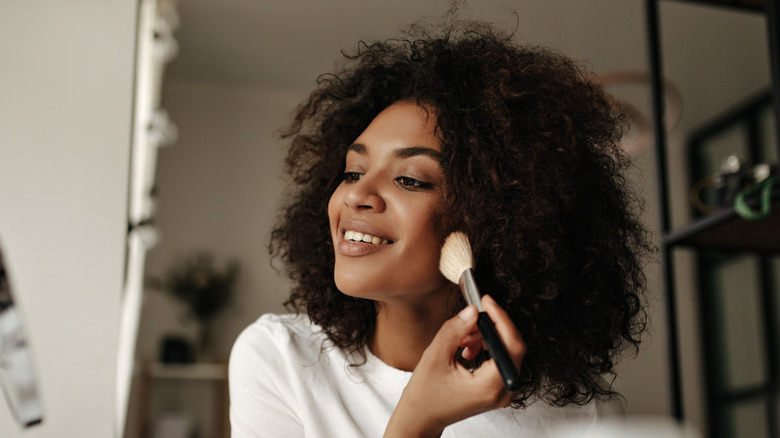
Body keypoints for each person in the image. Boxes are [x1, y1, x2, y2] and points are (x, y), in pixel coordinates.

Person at [229, 19, 651, 438]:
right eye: (353, 172)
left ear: (496, 220)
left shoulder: (569, 420)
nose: (357, 196)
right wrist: (417, 422)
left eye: (410, 179)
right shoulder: (280, 358)